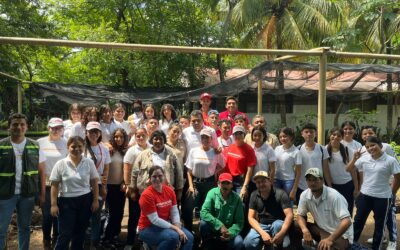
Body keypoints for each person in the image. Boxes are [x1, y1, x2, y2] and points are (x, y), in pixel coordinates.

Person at [0, 113, 46, 250]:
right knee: (1, 229)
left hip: (27, 194)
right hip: (4, 195)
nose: (18, 127)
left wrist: (42, 194)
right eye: (15, 124)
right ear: (9, 127)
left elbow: (42, 172)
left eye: (22, 124)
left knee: (25, 227)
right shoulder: (1, 145)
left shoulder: (35, 146)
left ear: (26, 127)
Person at [348, 136, 400, 250]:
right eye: (367, 147)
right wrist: (354, 158)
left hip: (382, 198)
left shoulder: (390, 160)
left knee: (379, 225)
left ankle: (376, 247)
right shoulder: (364, 159)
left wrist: (392, 192)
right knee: (358, 222)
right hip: (365, 195)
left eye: (373, 145)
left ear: (380, 145)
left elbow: (398, 176)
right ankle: (351, 245)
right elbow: (348, 169)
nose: (370, 148)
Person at [50, 136, 100, 250]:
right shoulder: (61, 163)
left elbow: (94, 182)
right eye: (73, 146)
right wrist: (53, 204)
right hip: (66, 201)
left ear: (84, 147)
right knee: (65, 233)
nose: (76, 149)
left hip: (85, 200)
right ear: (68, 147)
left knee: (80, 232)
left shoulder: (89, 162)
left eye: (79, 146)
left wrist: (95, 200)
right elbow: (54, 185)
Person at [360, 125, 398, 248]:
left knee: (390, 215)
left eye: (370, 133)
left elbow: (394, 166)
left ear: (376, 134)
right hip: (371, 188)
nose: (367, 135)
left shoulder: (386, 146)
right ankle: (383, 236)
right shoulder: (362, 150)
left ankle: (393, 240)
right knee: (378, 215)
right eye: (364, 134)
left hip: (386, 186)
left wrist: (392, 189)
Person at [138, 166, 193, 250]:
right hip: (147, 228)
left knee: (189, 237)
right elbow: (155, 220)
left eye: (160, 176)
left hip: (166, 225)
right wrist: (176, 229)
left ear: (164, 176)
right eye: (154, 176)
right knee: (173, 238)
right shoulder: (146, 195)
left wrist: (177, 225)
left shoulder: (169, 190)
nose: (157, 178)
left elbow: (174, 211)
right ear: (149, 178)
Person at [297, 168, 353, 250]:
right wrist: (305, 230)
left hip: (341, 235)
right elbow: (300, 215)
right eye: (309, 180)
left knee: (325, 248)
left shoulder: (334, 196)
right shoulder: (305, 195)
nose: (312, 183)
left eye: (316, 180)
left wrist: (330, 239)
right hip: (321, 230)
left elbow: (347, 221)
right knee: (296, 225)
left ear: (322, 180)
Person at [182, 128, 225, 232]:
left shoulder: (215, 152)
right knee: (188, 208)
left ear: (211, 139)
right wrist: (191, 186)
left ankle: (204, 233)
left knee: (207, 210)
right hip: (196, 184)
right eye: (203, 137)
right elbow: (189, 170)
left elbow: (222, 165)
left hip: (209, 184)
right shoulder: (194, 151)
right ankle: (189, 232)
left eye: (207, 137)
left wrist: (213, 172)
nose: (205, 139)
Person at [37, 117, 68, 249]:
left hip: (62, 185)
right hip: (45, 184)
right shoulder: (40, 142)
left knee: (58, 214)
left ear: (62, 129)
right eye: (53, 128)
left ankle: (56, 239)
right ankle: (46, 240)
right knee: (47, 215)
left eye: (58, 128)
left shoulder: (66, 143)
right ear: (48, 128)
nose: (55, 130)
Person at [243, 171, 293, 250]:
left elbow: (289, 215)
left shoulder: (281, 193)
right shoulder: (254, 195)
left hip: (278, 224)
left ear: (270, 181)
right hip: (262, 225)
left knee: (278, 226)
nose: (261, 184)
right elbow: (250, 217)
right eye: (258, 182)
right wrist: (262, 233)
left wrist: (282, 232)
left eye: (263, 181)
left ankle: (279, 243)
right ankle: (265, 245)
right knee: (248, 243)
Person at [132, 130, 184, 200]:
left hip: (166, 192)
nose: (158, 141)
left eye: (161, 139)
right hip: (147, 192)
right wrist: (132, 190)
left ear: (164, 140)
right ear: (151, 140)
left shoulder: (171, 154)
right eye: (156, 139)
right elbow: (135, 172)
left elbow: (179, 173)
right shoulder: (143, 155)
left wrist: (179, 191)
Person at [200, 173, 244, 250]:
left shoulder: (237, 199)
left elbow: (239, 222)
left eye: (228, 183)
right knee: (203, 224)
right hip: (213, 229)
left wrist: (229, 233)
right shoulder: (211, 193)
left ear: (232, 185)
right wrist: (219, 225)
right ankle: (206, 244)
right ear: (218, 184)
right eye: (223, 183)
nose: (225, 185)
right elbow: (203, 212)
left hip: (228, 231)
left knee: (239, 242)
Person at [84, 121, 111, 248]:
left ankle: (94, 243)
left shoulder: (104, 149)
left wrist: (104, 187)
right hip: (83, 186)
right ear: (86, 133)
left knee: (96, 215)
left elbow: (106, 169)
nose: (93, 134)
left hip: (99, 186)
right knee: (83, 215)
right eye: (91, 132)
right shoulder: (82, 147)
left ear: (99, 133)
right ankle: (83, 242)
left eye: (96, 132)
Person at [123, 128, 151, 249]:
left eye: (142, 135)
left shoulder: (151, 148)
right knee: (134, 215)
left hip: (149, 189)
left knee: (147, 216)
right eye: (138, 136)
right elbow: (127, 168)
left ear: (147, 135)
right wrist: (129, 185)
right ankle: (129, 242)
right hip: (135, 188)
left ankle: (144, 241)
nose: (140, 138)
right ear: (135, 136)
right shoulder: (132, 150)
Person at [103, 128, 129, 248]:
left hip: (120, 186)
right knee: (112, 213)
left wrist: (125, 182)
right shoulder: (108, 150)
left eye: (121, 137)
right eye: (116, 137)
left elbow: (126, 168)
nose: (119, 139)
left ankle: (114, 236)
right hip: (109, 186)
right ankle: (106, 238)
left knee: (119, 213)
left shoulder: (125, 151)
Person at [326, 127, 358, 216]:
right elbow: (326, 170)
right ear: (330, 135)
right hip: (332, 185)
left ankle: (347, 229)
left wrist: (356, 187)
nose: (335, 137)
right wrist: (329, 186)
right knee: (333, 210)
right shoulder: (324, 150)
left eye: (339, 136)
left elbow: (353, 170)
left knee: (347, 209)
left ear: (342, 137)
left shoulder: (348, 151)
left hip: (347, 185)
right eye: (333, 135)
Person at [296, 123, 332, 203]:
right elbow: (296, 170)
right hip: (302, 186)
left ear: (315, 134)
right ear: (302, 134)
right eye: (306, 132)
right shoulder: (298, 149)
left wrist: (329, 186)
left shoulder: (322, 149)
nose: (309, 134)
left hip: (319, 185)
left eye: (311, 132)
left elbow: (325, 169)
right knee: (302, 212)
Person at [223, 125, 256, 200]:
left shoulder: (249, 150)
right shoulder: (230, 148)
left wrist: (245, 186)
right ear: (233, 135)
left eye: (240, 133)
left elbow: (250, 170)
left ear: (244, 135)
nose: (237, 136)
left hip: (240, 181)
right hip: (228, 180)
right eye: (235, 134)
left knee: (240, 203)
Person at [274, 127, 302, 203]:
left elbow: (299, 172)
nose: (283, 138)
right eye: (280, 137)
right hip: (276, 180)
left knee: (288, 203)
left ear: (291, 137)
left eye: (285, 136)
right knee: (276, 202)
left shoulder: (296, 152)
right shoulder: (277, 149)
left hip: (289, 181)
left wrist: (294, 189)